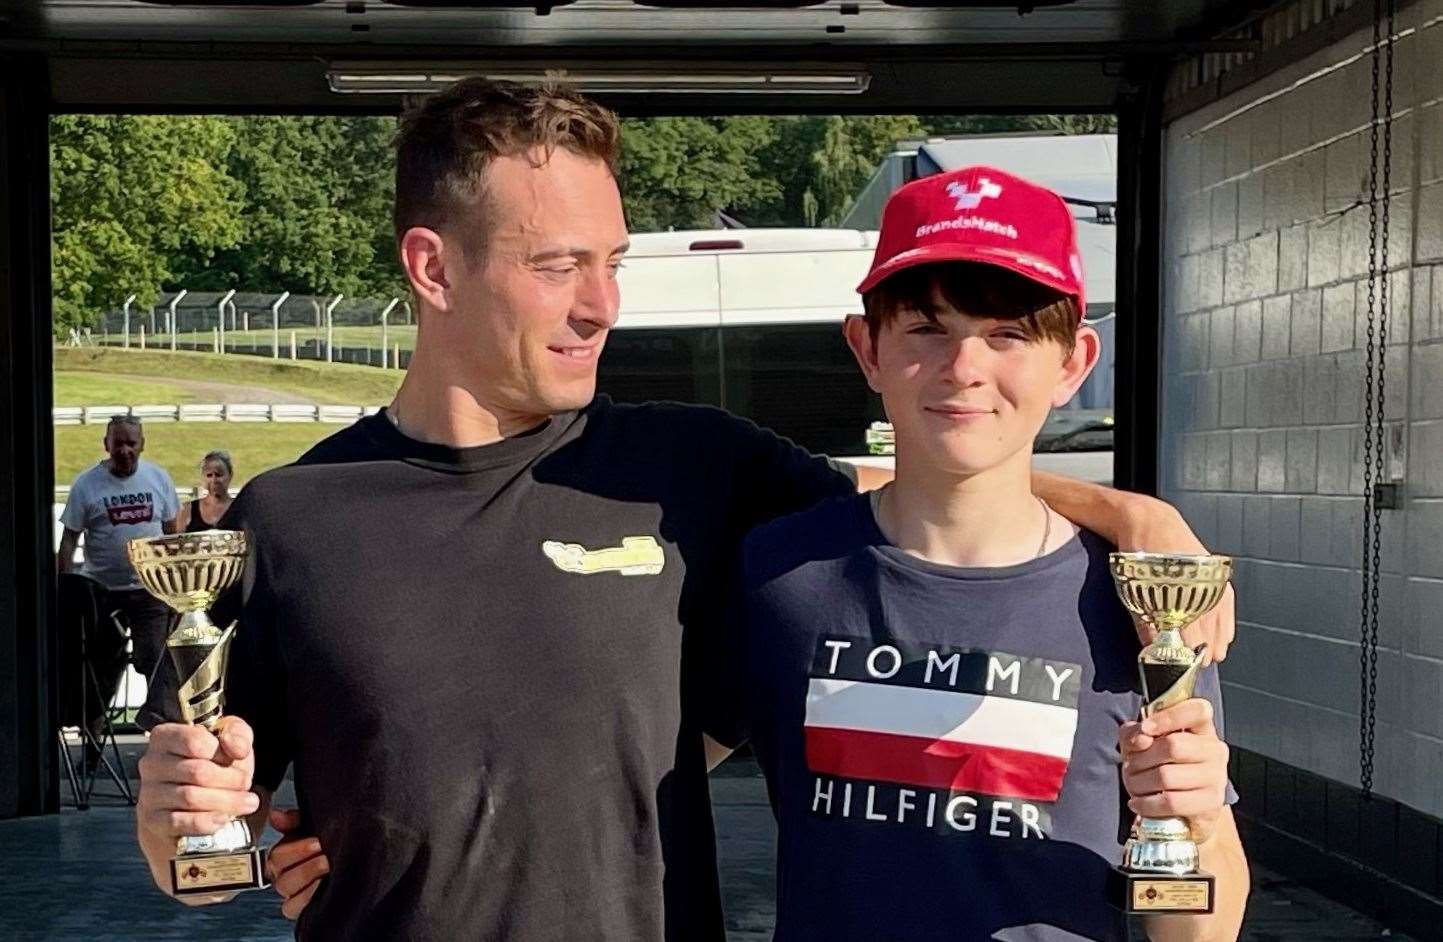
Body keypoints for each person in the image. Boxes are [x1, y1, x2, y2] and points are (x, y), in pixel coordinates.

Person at [134, 79, 1235, 940]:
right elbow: (210, 839)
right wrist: (184, 824)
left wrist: (1129, 513)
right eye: (560, 263)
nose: (603, 302)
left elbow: (935, 480)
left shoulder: (697, 470)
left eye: (611, 260)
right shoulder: (288, 521)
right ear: (432, 266)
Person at [726, 166, 1248, 940]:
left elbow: (1197, 931)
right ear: (866, 348)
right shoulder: (780, 576)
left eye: (1006, 334)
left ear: (1073, 363)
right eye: (927, 329)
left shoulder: (1138, 602)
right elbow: (632, 786)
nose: (964, 368)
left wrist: (1196, 821)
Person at [58, 415, 181, 746]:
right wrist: (64, 584)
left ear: (142, 444)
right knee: (99, 666)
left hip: (149, 589)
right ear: (106, 445)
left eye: (131, 443)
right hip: (102, 592)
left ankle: (159, 736)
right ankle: (93, 732)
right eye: (118, 444)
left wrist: (176, 588)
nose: (125, 450)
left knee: (153, 657)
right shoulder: (87, 484)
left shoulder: (158, 478)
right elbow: (69, 538)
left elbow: (172, 534)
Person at [178, 450, 234, 533]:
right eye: (209, 475)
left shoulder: (240, 508)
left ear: (230, 475)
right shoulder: (187, 510)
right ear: (203, 478)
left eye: (219, 475)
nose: (214, 480)